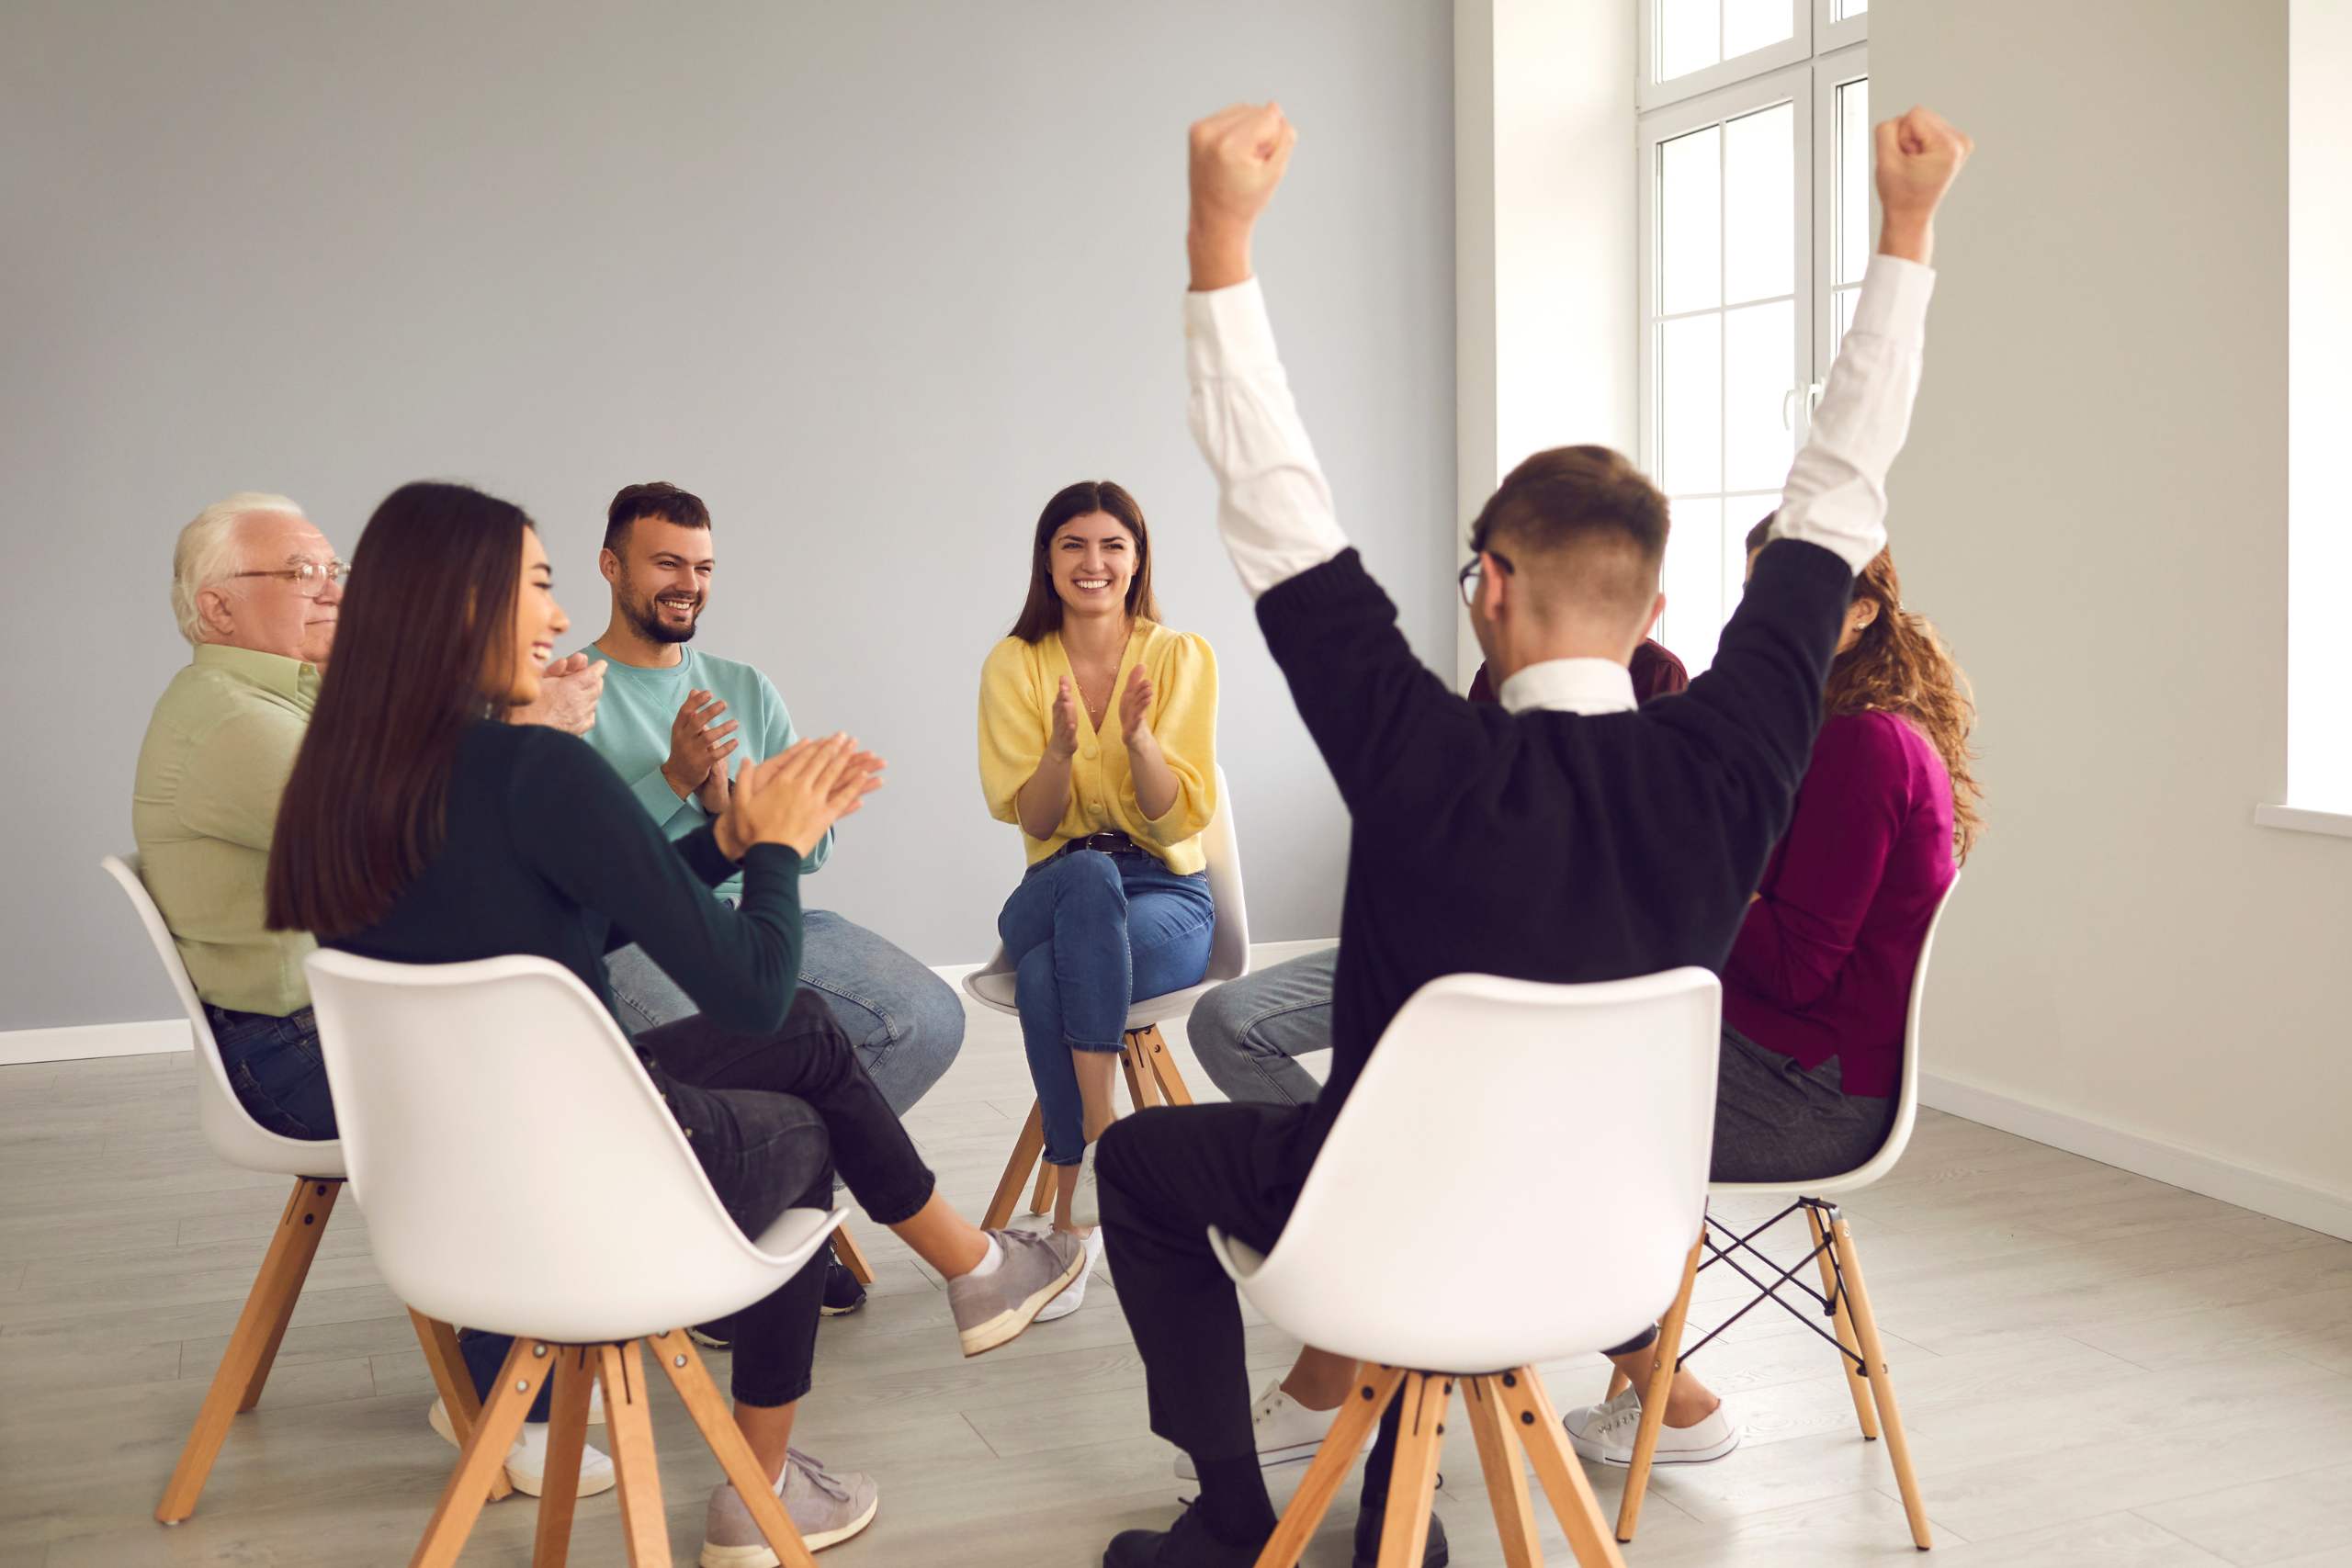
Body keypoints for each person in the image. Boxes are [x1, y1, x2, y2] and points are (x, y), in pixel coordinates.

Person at [1093, 100, 1970, 1568]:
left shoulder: (1422, 754)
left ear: (1489, 583)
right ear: (1652, 601)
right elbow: (1838, 494)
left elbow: (1275, 511)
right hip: (1608, 1251)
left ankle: (1237, 1514)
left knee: (1142, 1164)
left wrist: (1219, 243)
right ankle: (1393, 1501)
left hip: (1381, 1234)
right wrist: (1906, 234)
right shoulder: (1743, 753)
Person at [263, 481, 1085, 1560]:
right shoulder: (534, 768)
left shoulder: (339, 783)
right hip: (580, 1181)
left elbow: (577, 921)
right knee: (795, 1110)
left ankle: (972, 1269)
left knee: (800, 1030)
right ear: (460, 607)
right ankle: (763, 1491)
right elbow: (741, 980)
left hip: (450, 1184)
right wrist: (783, 844)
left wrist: (727, 845)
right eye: (539, 586)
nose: (556, 620)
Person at [130, 491, 609, 1495]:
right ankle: (507, 1390)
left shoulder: (287, 701)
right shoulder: (231, 723)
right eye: (296, 573)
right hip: (291, 1056)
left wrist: (512, 724)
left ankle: (579, 1327)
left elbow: (409, 785)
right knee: (544, 1086)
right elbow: (418, 850)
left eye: (332, 568)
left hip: (329, 1023)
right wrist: (529, 733)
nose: (329, 589)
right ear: (217, 610)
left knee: (585, 1021)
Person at [1177, 630, 1687, 1481]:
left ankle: (1331, 1365)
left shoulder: (1660, 681)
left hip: (1540, 980)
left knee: (1476, 1138)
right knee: (1231, 1020)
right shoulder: (1490, 679)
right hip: (1442, 950)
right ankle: (1350, 1226)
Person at [1560, 526, 1982, 1468]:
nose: (1766, 617)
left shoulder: (1863, 745)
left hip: (1813, 1098)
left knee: (1539, 1114)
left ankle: (1676, 1401)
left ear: (1863, 611)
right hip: (1783, 1056)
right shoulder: (1840, 724)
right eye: (1758, 592)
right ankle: (1651, 1385)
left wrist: (1698, 870)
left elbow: (1794, 965)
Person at [582, 480, 967, 1320]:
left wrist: (737, 812)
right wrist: (676, 783)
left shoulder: (744, 686)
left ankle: (773, 1210)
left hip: (762, 905)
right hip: (638, 935)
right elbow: (582, 873)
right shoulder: (569, 693)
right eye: (666, 563)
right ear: (611, 567)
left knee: (927, 1017)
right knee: (766, 1033)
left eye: (704, 566)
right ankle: (758, 1237)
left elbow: (814, 843)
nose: (689, 582)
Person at [976, 479, 1219, 1319]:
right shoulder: (1016, 662)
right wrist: (1056, 755)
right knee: (1083, 874)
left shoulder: (1181, 656)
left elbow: (1171, 811)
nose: (1094, 562)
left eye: (1113, 545)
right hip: (1055, 883)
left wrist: (1142, 739)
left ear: (1137, 557)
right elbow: (1037, 820)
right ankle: (1112, 1132)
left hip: (1166, 896)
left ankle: (1068, 1213)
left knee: (1048, 978)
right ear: (1048, 559)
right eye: (1074, 544)